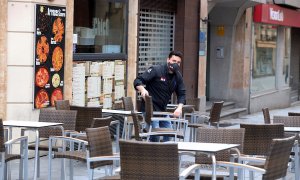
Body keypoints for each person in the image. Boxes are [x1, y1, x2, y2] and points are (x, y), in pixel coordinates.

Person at [133, 50, 186, 142]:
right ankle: (151, 154)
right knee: (155, 136)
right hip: (150, 110)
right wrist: (142, 89)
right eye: (174, 61)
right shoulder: (156, 70)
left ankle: (164, 154)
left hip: (162, 111)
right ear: (168, 60)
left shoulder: (178, 76)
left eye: (178, 62)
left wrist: (179, 108)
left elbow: (182, 93)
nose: (176, 64)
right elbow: (138, 80)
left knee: (169, 134)